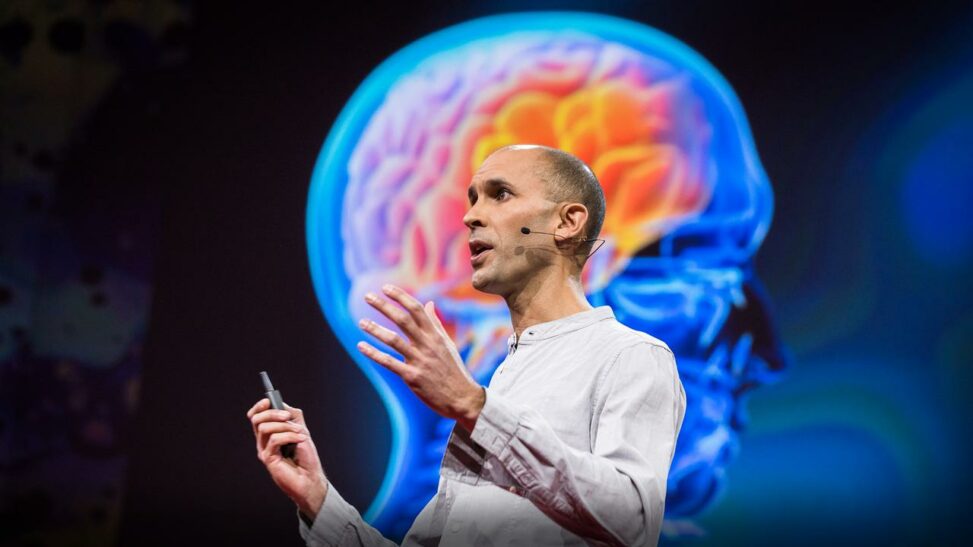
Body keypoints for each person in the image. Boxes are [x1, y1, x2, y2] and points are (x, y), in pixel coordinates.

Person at [247, 145, 687, 546]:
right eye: (472, 198)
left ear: (568, 222)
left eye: (500, 194)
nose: (471, 216)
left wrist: (476, 407)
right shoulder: (505, 380)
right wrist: (318, 500)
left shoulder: (630, 356)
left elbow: (631, 518)